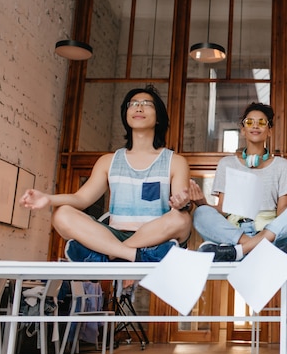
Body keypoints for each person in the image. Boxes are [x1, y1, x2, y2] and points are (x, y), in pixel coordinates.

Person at [19, 85, 193, 262]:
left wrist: (183, 203)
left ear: (158, 118)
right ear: (126, 115)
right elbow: (81, 199)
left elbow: (181, 206)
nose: (138, 107)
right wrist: (48, 199)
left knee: (182, 219)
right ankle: (136, 256)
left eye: (147, 103)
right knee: (61, 214)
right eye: (132, 104)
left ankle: (104, 255)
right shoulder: (108, 161)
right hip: (113, 235)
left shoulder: (175, 161)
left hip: (155, 237)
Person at [190, 102, 287, 262]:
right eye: (249, 122)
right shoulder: (227, 163)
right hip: (235, 230)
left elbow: (282, 212)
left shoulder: (282, 165)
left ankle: (238, 251)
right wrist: (202, 203)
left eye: (261, 122)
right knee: (201, 213)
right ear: (243, 130)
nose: (255, 126)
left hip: (269, 229)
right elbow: (223, 210)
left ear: (269, 131)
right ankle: (262, 248)